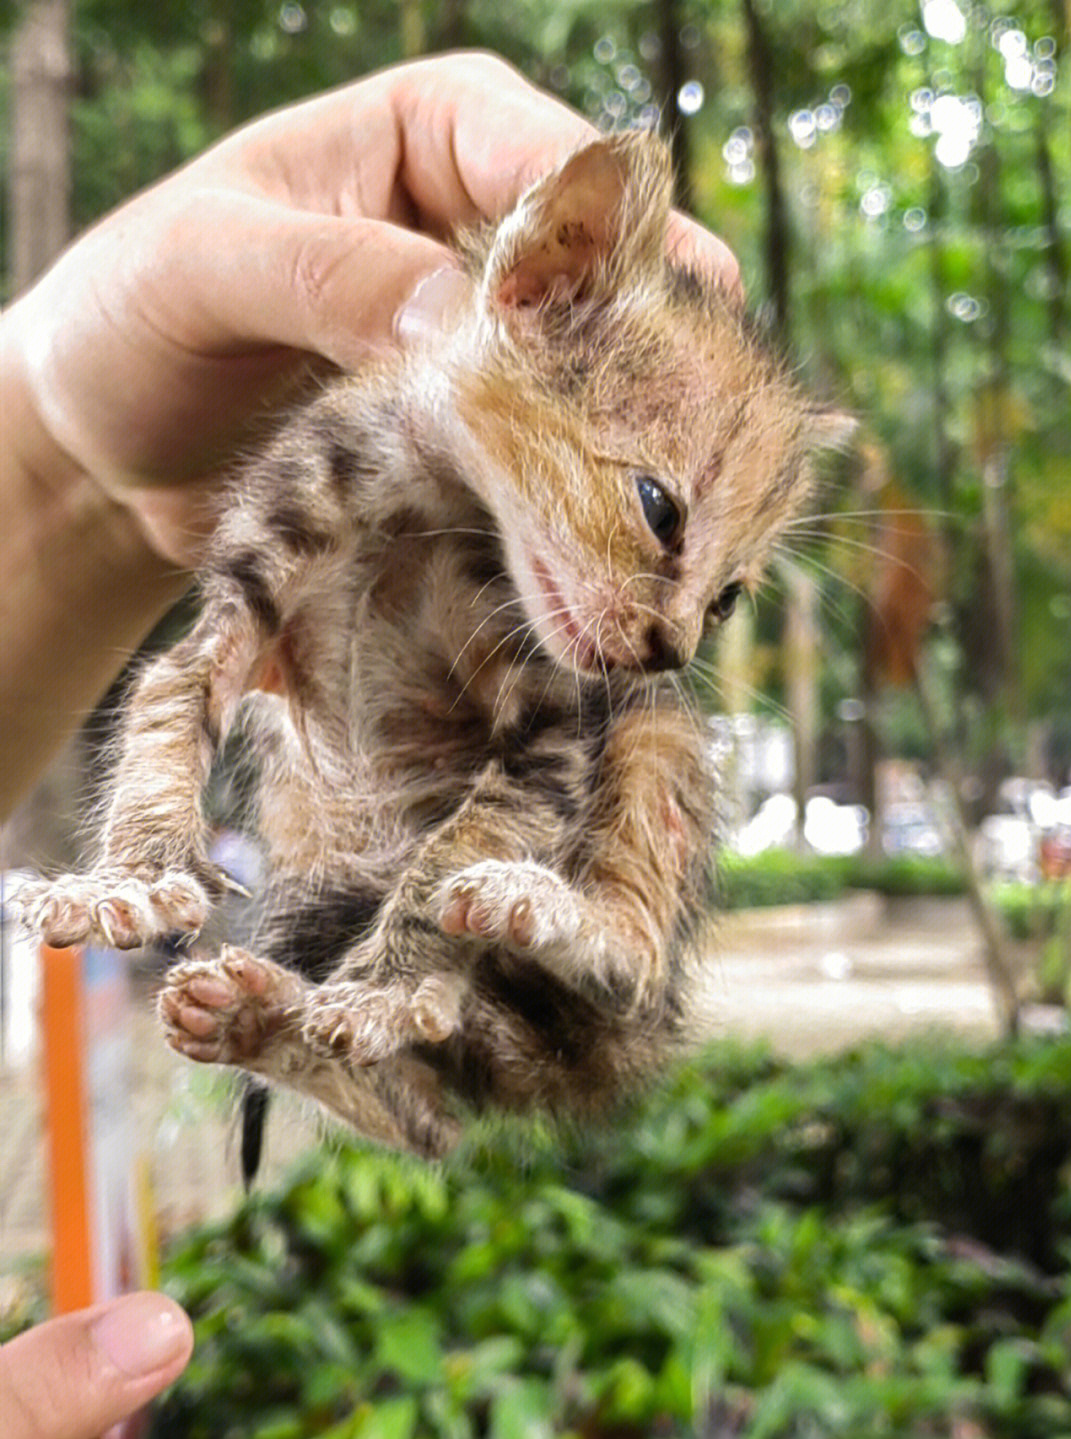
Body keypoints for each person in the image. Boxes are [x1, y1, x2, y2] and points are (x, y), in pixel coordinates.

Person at [0, 51, 739, 1437]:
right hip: (400, 922)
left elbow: (541, 766)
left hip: (502, 936)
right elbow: (203, 663)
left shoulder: (523, 597)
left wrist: (64, 464)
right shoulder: (368, 451)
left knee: (643, 736)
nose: (675, 627)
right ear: (532, 288)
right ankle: (341, 1031)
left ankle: (563, 954)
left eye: (723, 589)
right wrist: (150, 850)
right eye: (659, 519)